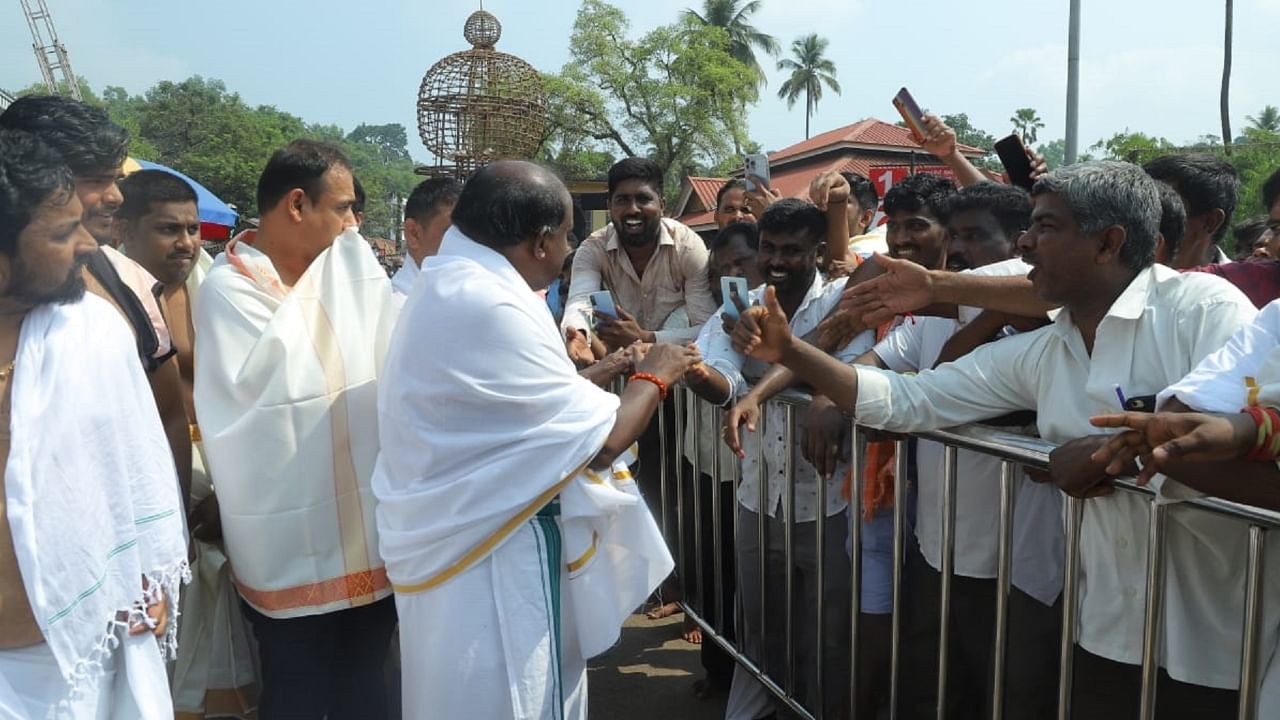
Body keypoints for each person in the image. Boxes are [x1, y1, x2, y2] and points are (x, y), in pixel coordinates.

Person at [733, 161, 1262, 718]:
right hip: (1106, 628)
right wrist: (792, 353)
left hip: (1218, 631)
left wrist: (1113, 456)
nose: (1027, 243)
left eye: (1047, 228)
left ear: (1108, 243)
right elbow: (911, 399)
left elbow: (1248, 440)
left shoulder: (1202, 309)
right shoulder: (1045, 350)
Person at [373, 160, 699, 720]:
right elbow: (600, 441)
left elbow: (525, 408)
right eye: (568, 233)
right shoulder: (490, 301)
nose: (572, 245)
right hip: (496, 557)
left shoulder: (452, 280)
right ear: (542, 240)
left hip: (460, 540)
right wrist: (656, 373)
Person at [194, 140, 399, 719]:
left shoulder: (349, 276)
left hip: (366, 527)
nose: (354, 224)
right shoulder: (231, 289)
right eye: (343, 208)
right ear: (297, 204)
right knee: (297, 693)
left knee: (368, 686)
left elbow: (386, 354)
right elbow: (274, 398)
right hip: (286, 538)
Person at [0, 128, 188, 717]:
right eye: (61, 233)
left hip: (86, 653)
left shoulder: (95, 333)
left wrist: (149, 573)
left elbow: (132, 465)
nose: (87, 245)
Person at [686, 199, 873, 719]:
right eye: (769, 248)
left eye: (792, 250)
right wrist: (695, 374)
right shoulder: (739, 306)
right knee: (761, 626)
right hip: (757, 496)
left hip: (830, 500)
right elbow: (718, 369)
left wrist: (825, 396)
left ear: (818, 252)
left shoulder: (842, 299)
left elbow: (857, 370)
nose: (777, 261)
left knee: (830, 634)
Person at [0, 95, 192, 511]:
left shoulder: (130, 282)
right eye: (97, 180)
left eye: (116, 178)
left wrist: (171, 529)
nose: (116, 196)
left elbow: (168, 414)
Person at [114, 169, 259, 719]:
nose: (186, 243)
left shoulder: (216, 288)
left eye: (193, 229)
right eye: (167, 230)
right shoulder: (107, 299)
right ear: (123, 229)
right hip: (151, 476)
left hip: (219, 466)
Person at [1143, 153, 1238, 267]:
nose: (1141, 226)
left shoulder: (1240, 283)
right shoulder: (1123, 280)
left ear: (1210, 222)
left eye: (1158, 215)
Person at [391, 177, 461, 298]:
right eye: (451, 233)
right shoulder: (396, 309)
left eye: (470, 235)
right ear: (414, 234)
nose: (465, 244)